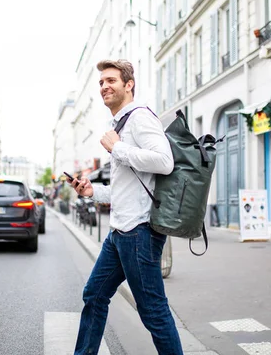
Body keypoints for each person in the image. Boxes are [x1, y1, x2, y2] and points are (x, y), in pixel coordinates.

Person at [70, 59, 183, 355]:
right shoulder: (119, 124)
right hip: (120, 232)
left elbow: (164, 161)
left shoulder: (141, 118)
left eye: (111, 81)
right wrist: (92, 190)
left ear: (128, 85)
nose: (104, 86)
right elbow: (125, 189)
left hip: (139, 232)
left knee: (153, 311)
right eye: (101, 82)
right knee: (94, 295)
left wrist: (117, 147)